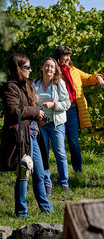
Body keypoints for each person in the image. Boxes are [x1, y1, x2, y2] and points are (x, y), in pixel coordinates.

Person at [1, 54, 55, 217]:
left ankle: (47, 209)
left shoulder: (28, 85)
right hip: (20, 136)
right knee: (23, 173)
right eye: (27, 67)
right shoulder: (9, 86)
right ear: (18, 68)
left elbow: (29, 108)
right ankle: (21, 212)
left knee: (39, 173)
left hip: (32, 134)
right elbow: (13, 111)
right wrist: (35, 111)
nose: (31, 70)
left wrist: (38, 116)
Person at [52, 46, 104, 174]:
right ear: (58, 56)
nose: (67, 58)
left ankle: (78, 170)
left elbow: (87, 78)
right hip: (57, 110)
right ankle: (61, 171)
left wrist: (98, 77)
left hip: (72, 110)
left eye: (69, 56)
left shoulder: (73, 70)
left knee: (73, 141)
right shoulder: (53, 70)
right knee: (58, 143)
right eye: (64, 55)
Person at [33, 57, 71, 193]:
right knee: (43, 154)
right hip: (41, 123)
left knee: (60, 153)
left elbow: (67, 103)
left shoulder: (59, 83)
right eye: (47, 66)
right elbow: (29, 102)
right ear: (42, 68)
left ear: (55, 71)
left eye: (52, 67)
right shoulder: (35, 83)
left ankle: (64, 183)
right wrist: (34, 102)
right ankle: (46, 183)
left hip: (56, 123)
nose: (49, 69)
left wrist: (53, 104)